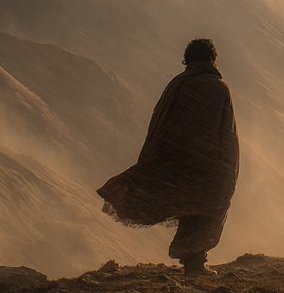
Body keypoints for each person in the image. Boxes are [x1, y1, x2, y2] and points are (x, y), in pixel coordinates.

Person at [97, 38, 239, 276]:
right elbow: (227, 132)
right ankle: (195, 263)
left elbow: (160, 122)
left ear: (188, 59)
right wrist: (227, 168)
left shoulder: (177, 84)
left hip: (177, 159)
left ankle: (193, 262)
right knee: (207, 206)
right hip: (208, 163)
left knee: (189, 205)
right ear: (212, 59)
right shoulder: (218, 88)